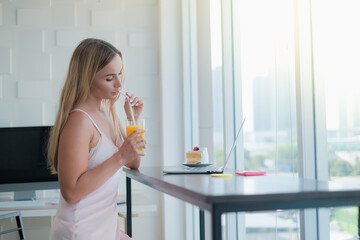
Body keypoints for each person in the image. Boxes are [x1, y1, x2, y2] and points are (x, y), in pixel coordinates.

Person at [47, 38, 146, 240]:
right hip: (81, 231)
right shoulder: (79, 122)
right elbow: (71, 192)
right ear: (87, 79)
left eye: (120, 73)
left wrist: (131, 118)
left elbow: (134, 161)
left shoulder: (108, 112)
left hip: (105, 229)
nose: (119, 83)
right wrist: (119, 157)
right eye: (110, 78)